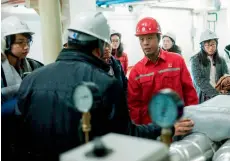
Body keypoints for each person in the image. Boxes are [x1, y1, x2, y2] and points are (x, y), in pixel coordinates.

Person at [14, 11, 193, 161]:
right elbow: (126, 136)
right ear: (99, 45)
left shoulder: (31, 80)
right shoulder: (105, 84)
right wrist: (165, 127)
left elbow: (18, 138)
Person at [128, 17, 198, 125]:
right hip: (152, 130)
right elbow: (135, 107)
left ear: (158, 38)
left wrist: (192, 118)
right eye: (142, 39)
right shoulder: (136, 72)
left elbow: (189, 92)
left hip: (180, 123)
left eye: (150, 38)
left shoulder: (177, 61)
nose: (145, 43)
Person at [1, 16, 43, 161]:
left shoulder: (35, 66)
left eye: (27, 42)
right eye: (20, 42)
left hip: (30, 131)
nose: (26, 47)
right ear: (5, 43)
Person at [190, 29, 229, 103]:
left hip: (220, 95)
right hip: (204, 96)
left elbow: (226, 76)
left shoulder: (221, 60)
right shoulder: (195, 60)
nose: (211, 48)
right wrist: (215, 94)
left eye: (213, 44)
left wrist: (226, 88)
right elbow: (199, 81)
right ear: (202, 46)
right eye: (207, 45)